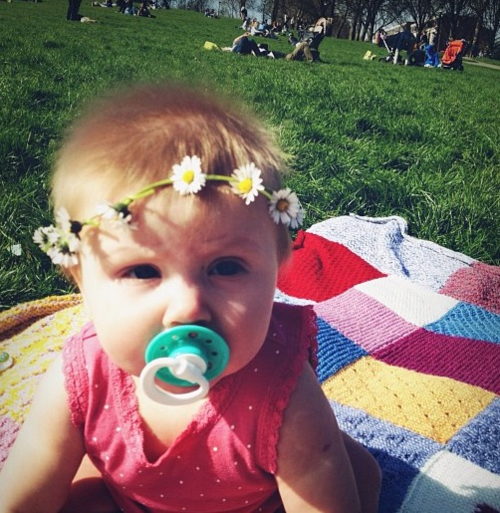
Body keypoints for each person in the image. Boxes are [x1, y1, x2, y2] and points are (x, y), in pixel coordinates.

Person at [0, 84, 381, 512]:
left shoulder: (284, 391)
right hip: (130, 496)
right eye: (142, 271)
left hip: (253, 503)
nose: (187, 308)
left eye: (226, 267)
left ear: (278, 267)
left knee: (356, 476)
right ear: (81, 282)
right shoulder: (83, 378)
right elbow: (24, 493)